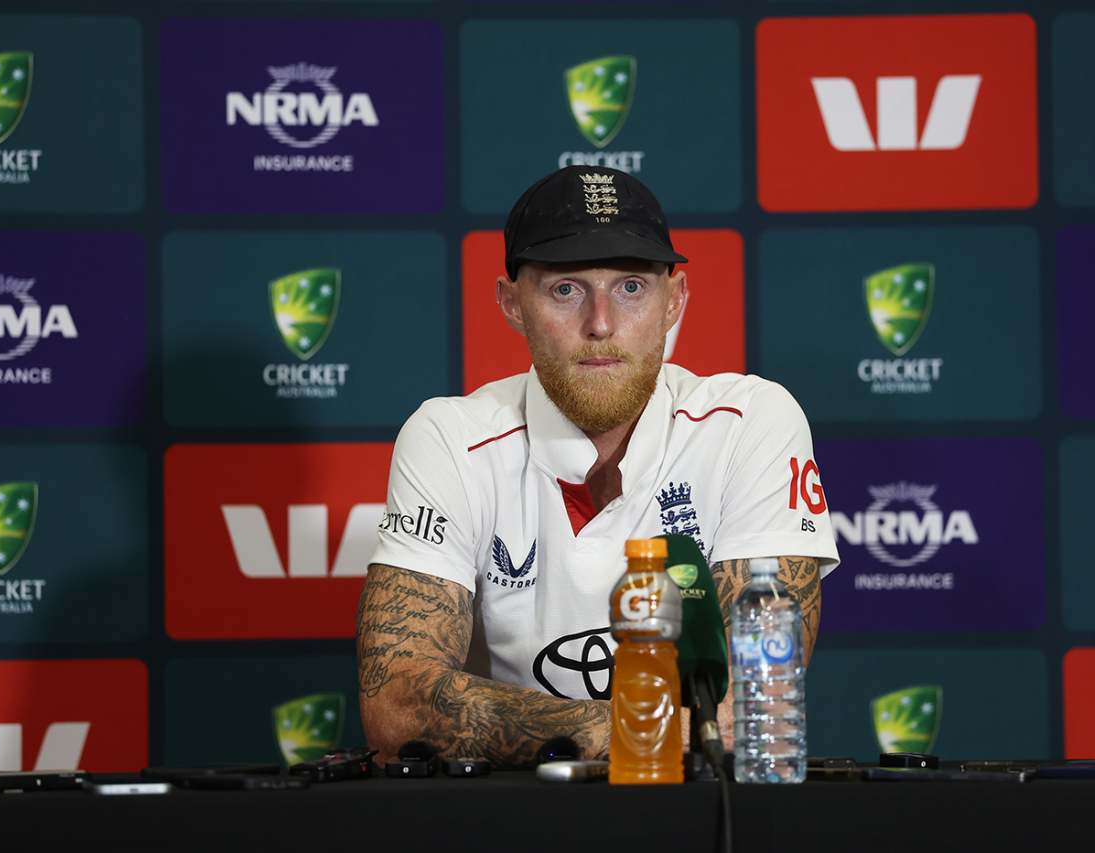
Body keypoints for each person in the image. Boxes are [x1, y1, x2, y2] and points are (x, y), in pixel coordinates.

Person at [357, 166, 838, 767]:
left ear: (675, 300)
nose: (602, 323)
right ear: (512, 304)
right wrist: (622, 730)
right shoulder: (450, 438)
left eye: (631, 287)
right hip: (513, 818)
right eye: (566, 289)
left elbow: (756, 705)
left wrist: (582, 731)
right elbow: (396, 705)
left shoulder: (751, 423)